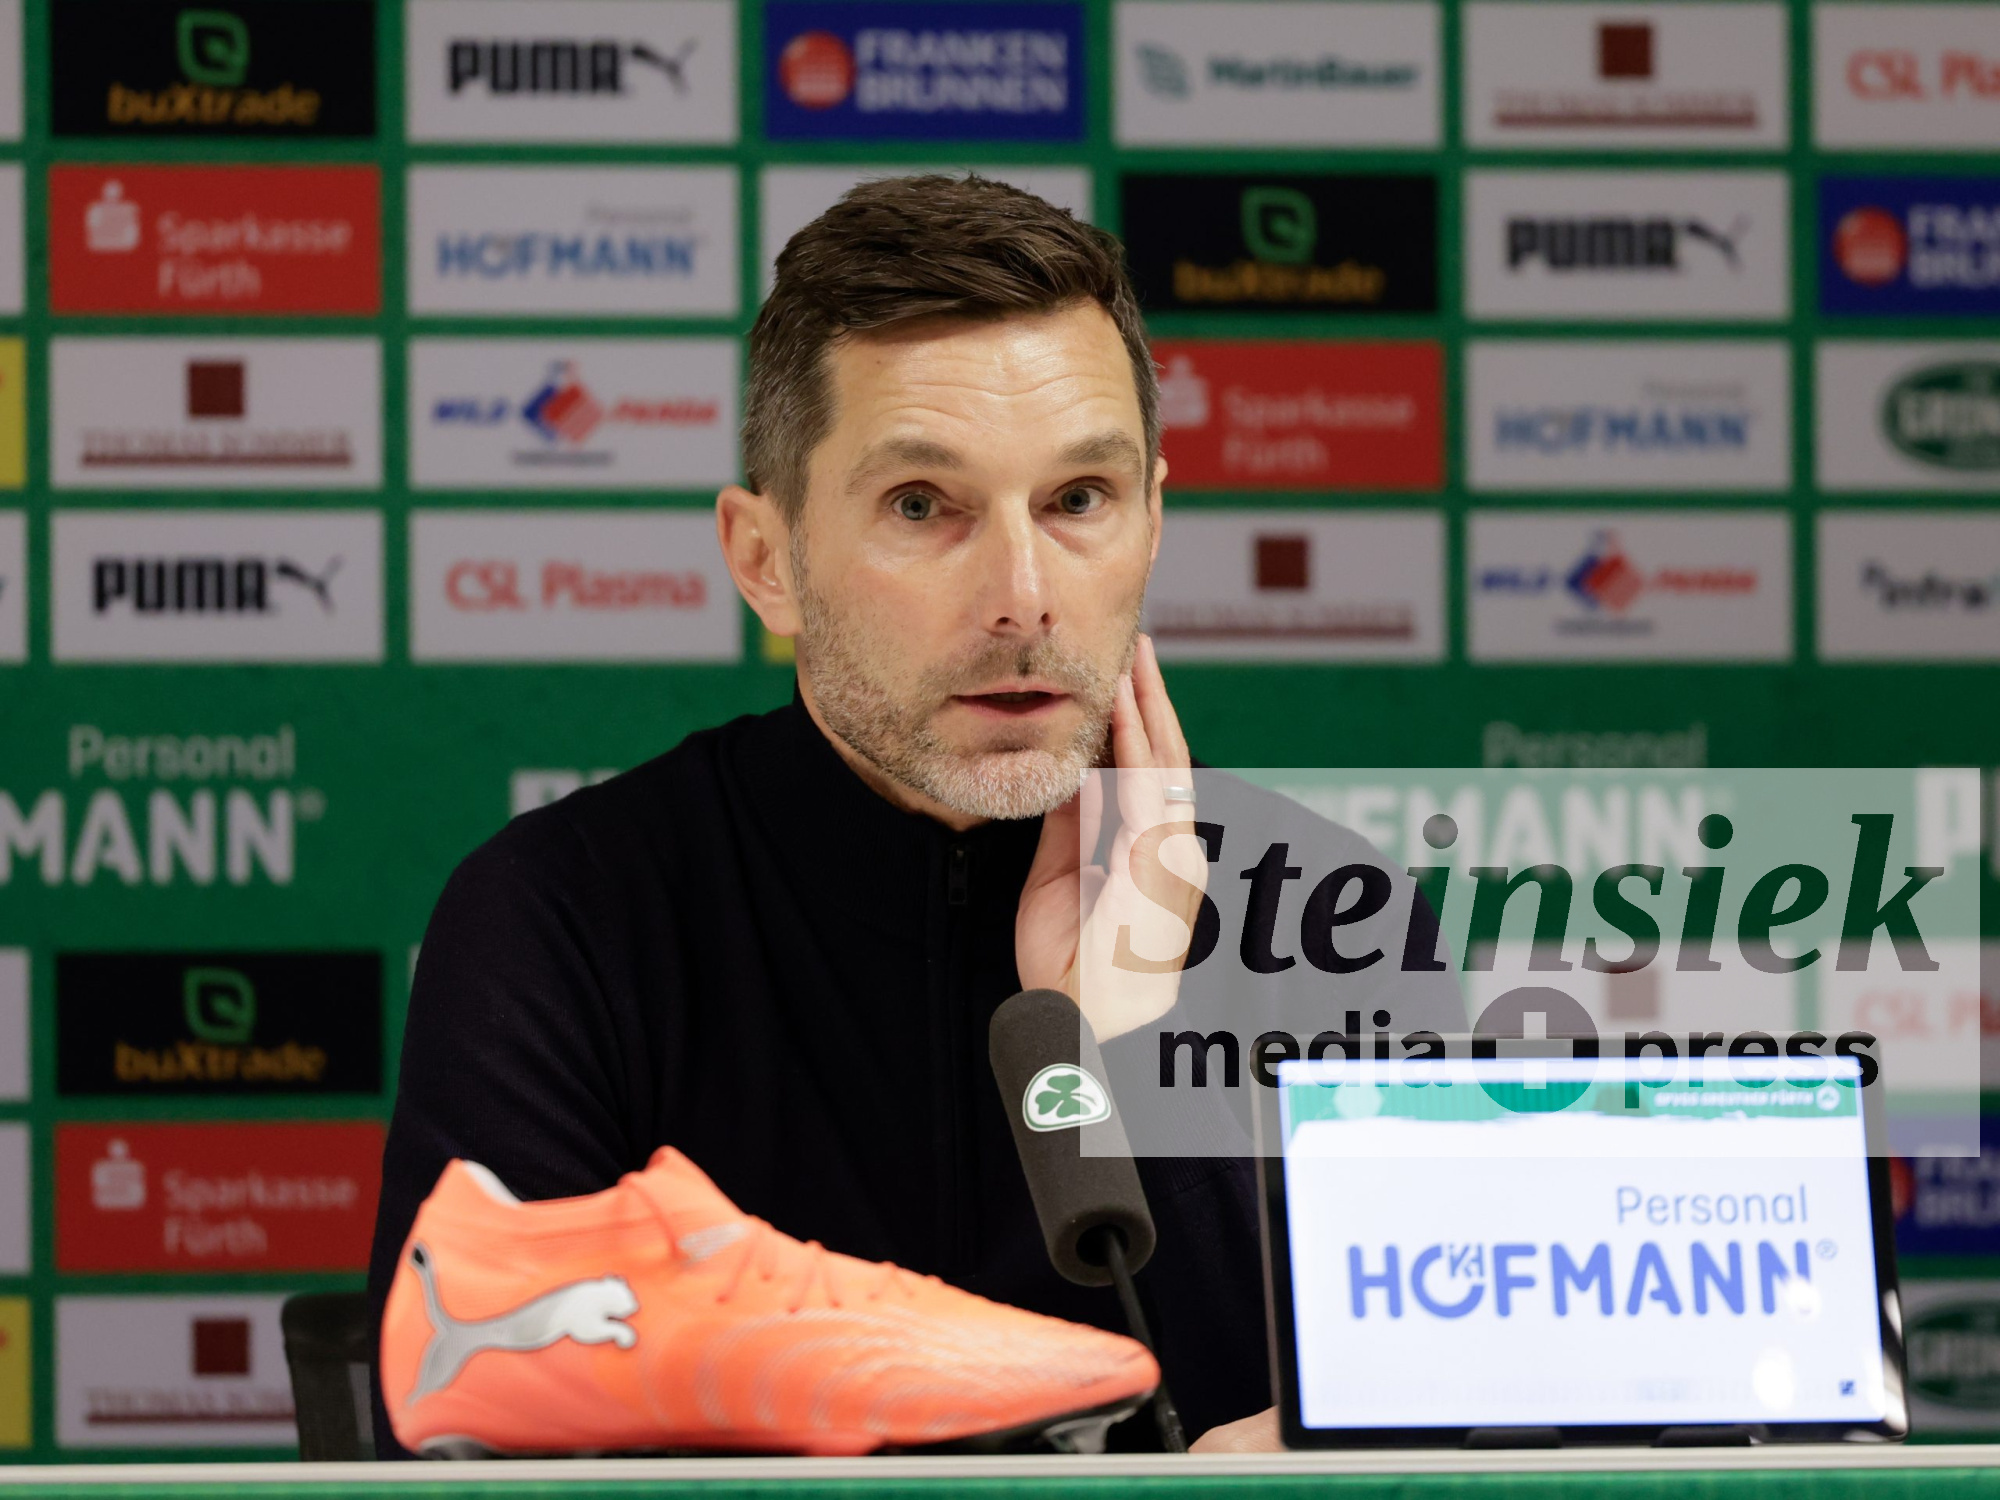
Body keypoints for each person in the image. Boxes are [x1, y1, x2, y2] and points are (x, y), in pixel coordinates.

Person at [368, 174, 1286, 1457]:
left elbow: (1393, 1444)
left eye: (1078, 499)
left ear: (1152, 520)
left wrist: (1111, 1056)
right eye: (921, 506)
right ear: (767, 561)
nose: (1022, 595)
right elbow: (475, 1446)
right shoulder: (562, 919)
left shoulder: (1321, 913)